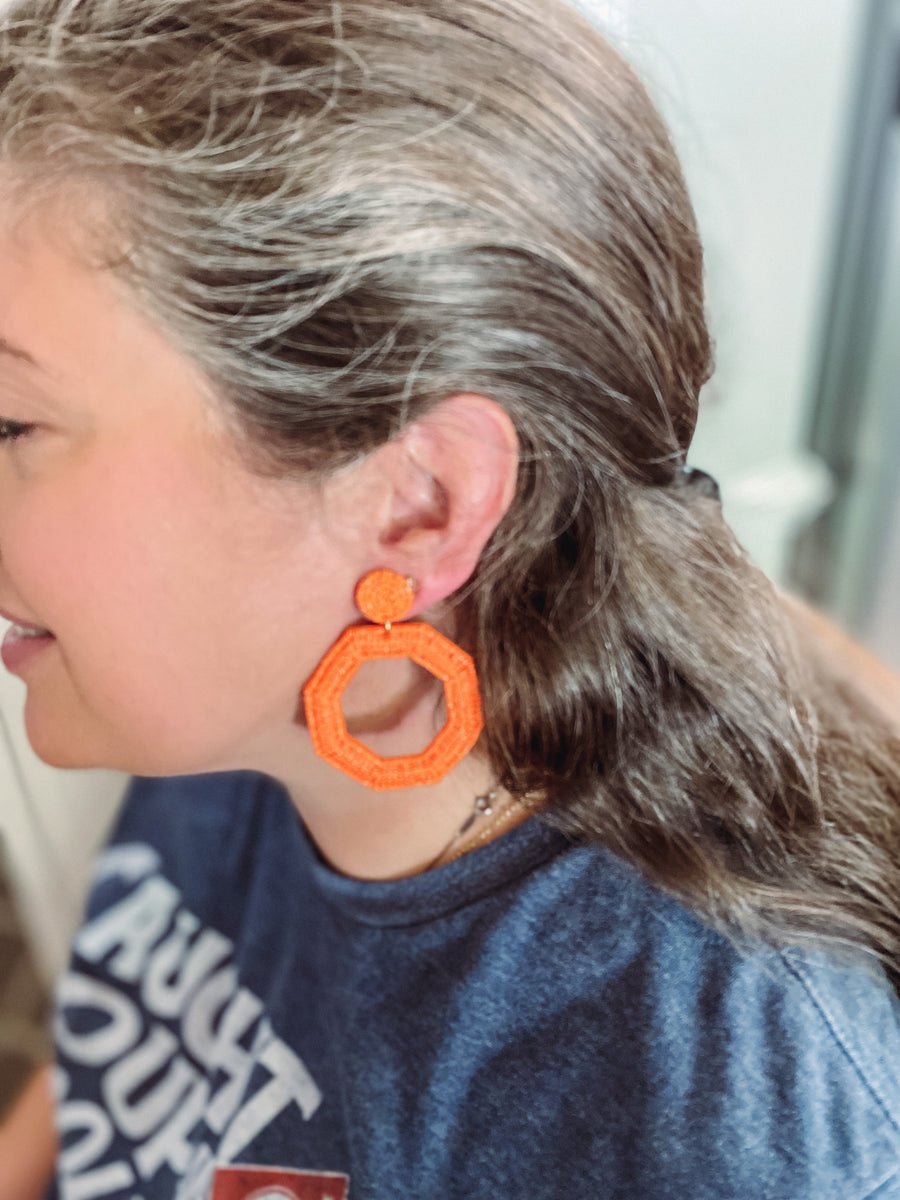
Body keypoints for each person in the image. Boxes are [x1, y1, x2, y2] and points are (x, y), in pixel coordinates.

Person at [0, 1, 899, 1196]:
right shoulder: (241, 706)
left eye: (11, 423)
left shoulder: (714, 1130)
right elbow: (125, 1062)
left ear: (419, 503)